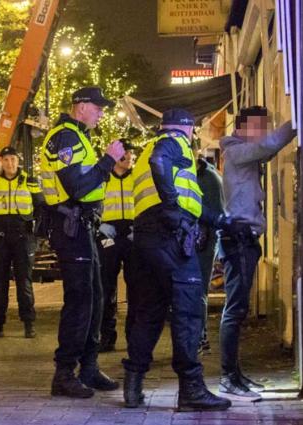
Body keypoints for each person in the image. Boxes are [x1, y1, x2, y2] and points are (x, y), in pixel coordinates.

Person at [123, 108, 240, 411]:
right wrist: (174, 209)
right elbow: (159, 162)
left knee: (149, 312)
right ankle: (191, 390)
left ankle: (133, 385)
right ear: (187, 129)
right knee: (188, 311)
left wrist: (222, 222)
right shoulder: (173, 142)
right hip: (169, 238)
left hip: (147, 238)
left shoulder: (148, 147)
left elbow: (194, 205)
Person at [39, 86, 126, 399]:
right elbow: (77, 186)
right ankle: (64, 374)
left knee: (95, 298)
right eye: (98, 107)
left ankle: (88, 368)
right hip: (70, 227)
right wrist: (108, 160)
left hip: (83, 227)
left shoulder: (79, 136)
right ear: (81, 106)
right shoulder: (65, 137)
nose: (102, 112)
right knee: (79, 301)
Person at [217, 106, 295, 401]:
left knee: (237, 310)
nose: (263, 132)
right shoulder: (237, 153)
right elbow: (268, 146)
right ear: (242, 128)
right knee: (234, 310)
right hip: (237, 238)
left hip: (245, 239)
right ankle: (227, 377)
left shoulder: (243, 154)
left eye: (266, 126)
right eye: (259, 126)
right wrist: (296, 122)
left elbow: (266, 150)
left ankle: (234, 374)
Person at [0, 146, 43, 339]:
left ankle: (29, 324)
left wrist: (35, 232)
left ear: (19, 161)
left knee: (24, 282)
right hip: (0, 238)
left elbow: (40, 206)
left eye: (13, 159)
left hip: (22, 237)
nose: (10, 163)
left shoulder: (30, 181)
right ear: (2, 162)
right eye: (6, 160)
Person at [96, 141, 135, 353]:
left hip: (131, 235)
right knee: (106, 288)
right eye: (124, 155)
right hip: (107, 236)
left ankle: (134, 337)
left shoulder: (138, 179)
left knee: (136, 289)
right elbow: (90, 204)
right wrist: (100, 225)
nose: (128, 159)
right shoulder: (102, 177)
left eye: (130, 156)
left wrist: (138, 227)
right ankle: (106, 336)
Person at [194, 154, 225, 355]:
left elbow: (214, 214)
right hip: (197, 240)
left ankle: (199, 337)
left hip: (202, 242)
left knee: (197, 290)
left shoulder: (209, 178)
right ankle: (197, 337)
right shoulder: (204, 174)